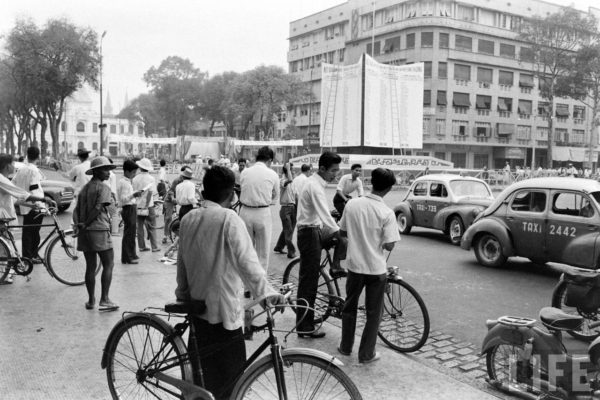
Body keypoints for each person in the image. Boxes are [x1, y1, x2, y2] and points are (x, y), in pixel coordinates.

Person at [175, 165, 282, 400]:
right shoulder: (228, 218)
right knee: (230, 379)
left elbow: (181, 264)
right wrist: (266, 293)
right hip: (223, 310)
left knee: (201, 374)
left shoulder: (189, 218)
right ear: (232, 194)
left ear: (204, 191)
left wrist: (182, 295)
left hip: (197, 306)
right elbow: (248, 263)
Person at [337, 168, 401, 364]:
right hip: (375, 269)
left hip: (355, 266)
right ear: (389, 188)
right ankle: (366, 354)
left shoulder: (353, 204)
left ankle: (346, 347)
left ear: (371, 182)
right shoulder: (387, 212)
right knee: (374, 313)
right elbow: (390, 244)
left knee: (349, 307)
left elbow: (343, 232)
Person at [295, 151, 347, 338]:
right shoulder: (314, 186)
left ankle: (335, 266)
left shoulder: (315, 183)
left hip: (313, 229)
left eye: (338, 170)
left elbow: (323, 213)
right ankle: (304, 326)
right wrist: (340, 231)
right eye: (333, 170)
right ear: (322, 168)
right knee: (309, 283)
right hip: (309, 233)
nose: (336, 174)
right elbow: (325, 215)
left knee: (311, 278)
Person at [0, 154, 55, 284]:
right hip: (3, 217)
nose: (14, 166)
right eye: (12, 164)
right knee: (5, 247)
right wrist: (42, 199)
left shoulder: (5, 179)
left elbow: (15, 199)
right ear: (7, 165)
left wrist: (33, 204)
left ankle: (7, 273)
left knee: (7, 245)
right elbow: (21, 193)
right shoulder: (1, 179)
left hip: (7, 215)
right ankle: (4, 275)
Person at [73, 156, 118, 311]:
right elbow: (99, 208)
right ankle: (104, 299)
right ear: (97, 171)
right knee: (109, 263)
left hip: (84, 232)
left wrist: (80, 225)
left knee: (90, 267)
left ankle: (91, 300)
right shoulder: (104, 188)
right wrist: (86, 223)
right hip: (98, 229)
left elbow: (76, 210)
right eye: (105, 170)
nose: (108, 173)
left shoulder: (84, 189)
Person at [239, 146, 279, 271]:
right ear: (270, 160)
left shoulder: (245, 172)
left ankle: (246, 285)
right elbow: (275, 196)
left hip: (245, 211)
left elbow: (243, 188)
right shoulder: (272, 174)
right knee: (263, 252)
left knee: (246, 249)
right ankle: (260, 284)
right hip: (262, 213)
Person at [11, 146, 45, 263]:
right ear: (38, 156)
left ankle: (28, 256)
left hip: (25, 206)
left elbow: (13, 183)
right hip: (34, 206)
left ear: (27, 155)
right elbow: (34, 188)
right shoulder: (34, 170)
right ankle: (31, 257)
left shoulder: (21, 169)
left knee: (27, 233)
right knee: (34, 233)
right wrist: (37, 204)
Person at [117, 159, 143, 264]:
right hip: (128, 208)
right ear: (127, 171)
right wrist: (134, 195)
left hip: (131, 207)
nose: (134, 175)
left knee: (132, 233)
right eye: (133, 172)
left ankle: (131, 254)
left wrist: (135, 194)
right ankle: (128, 257)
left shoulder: (127, 182)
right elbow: (123, 199)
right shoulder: (124, 183)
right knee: (129, 234)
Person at [132, 158, 160, 252]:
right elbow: (152, 192)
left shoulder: (135, 178)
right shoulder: (151, 178)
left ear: (140, 167)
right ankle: (154, 246)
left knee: (139, 226)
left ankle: (141, 246)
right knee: (152, 226)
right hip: (149, 205)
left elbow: (134, 192)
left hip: (138, 205)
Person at [163, 165, 191, 243]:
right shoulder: (177, 180)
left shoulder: (188, 182)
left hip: (179, 200)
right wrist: (172, 198)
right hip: (170, 200)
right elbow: (171, 191)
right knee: (168, 218)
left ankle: (179, 235)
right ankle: (165, 235)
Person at [273, 163, 296, 258]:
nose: (294, 171)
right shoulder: (282, 180)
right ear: (288, 170)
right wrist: (288, 168)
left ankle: (279, 246)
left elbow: (296, 195)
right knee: (289, 230)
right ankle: (291, 252)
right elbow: (289, 180)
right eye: (292, 170)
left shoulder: (293, 182)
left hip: (293, 207)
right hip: (285, 209)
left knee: (288, 230)